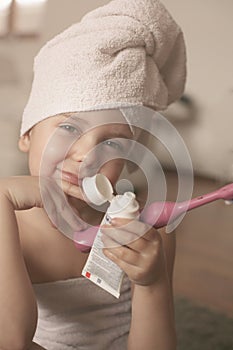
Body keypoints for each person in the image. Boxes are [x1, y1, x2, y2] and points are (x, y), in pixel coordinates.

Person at [0, 0, 187, 349]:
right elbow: (11, 339)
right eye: (69, 127)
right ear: (27, 134)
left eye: (114, 143)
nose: (87, 155)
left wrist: (152, 282)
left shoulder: (148, 233)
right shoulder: (11, 227)